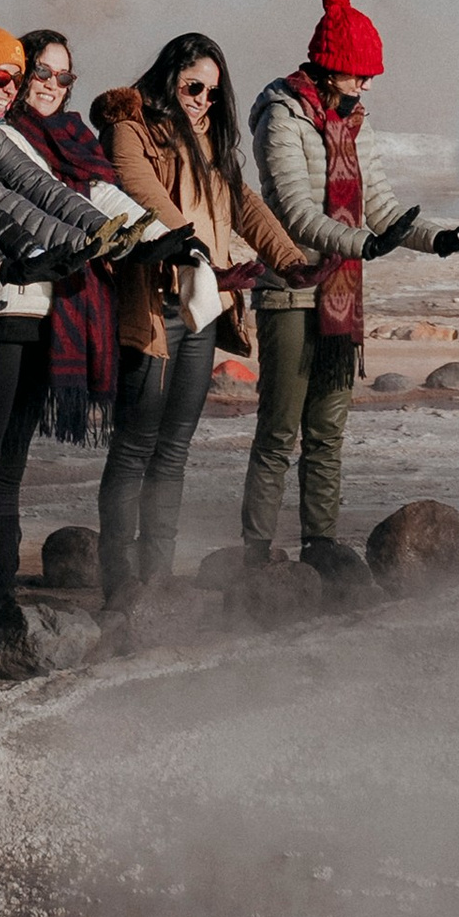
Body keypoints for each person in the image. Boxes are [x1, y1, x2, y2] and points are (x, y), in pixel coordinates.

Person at [242, 0, 459, 575]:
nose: (367, 86)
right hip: (293, 286)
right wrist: (364, 245)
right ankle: (254, 553)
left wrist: (439, 240)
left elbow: (380, 205)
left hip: (341, 294)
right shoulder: (282, 116)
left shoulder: (355, 121)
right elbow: (294, 210)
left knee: (327, 428)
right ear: (329, 68)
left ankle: (318, 545)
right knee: (280, 429)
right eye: (359, 75)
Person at [0, 15, 145, 635]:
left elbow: (48, 194)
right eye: (4, 76)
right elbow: (2, 204)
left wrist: (114, 235)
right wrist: (73, 242)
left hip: (40, 313)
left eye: (18, 78)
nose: (13, 87)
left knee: (10, 468)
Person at [91, 30, 314, 609]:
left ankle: (157, 580)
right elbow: (141, 193)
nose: (202, 102)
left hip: (202, 305)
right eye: (194, 88)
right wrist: (192, 248)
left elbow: (244, 204)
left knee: (175, 447)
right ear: (170, 76)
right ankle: (120, 584)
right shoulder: (131, 127)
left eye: (213, 94)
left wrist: (288, 257)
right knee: (136, 444)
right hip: (155, 300)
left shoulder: (211, 142)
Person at [10, 30, 122, 452]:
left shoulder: (79, 138)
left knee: (16, 452)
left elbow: (107, 196)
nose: (51, 85)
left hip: (64, 297)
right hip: (19, 301)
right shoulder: (5, 133)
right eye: (42, 71)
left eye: (63, 78)